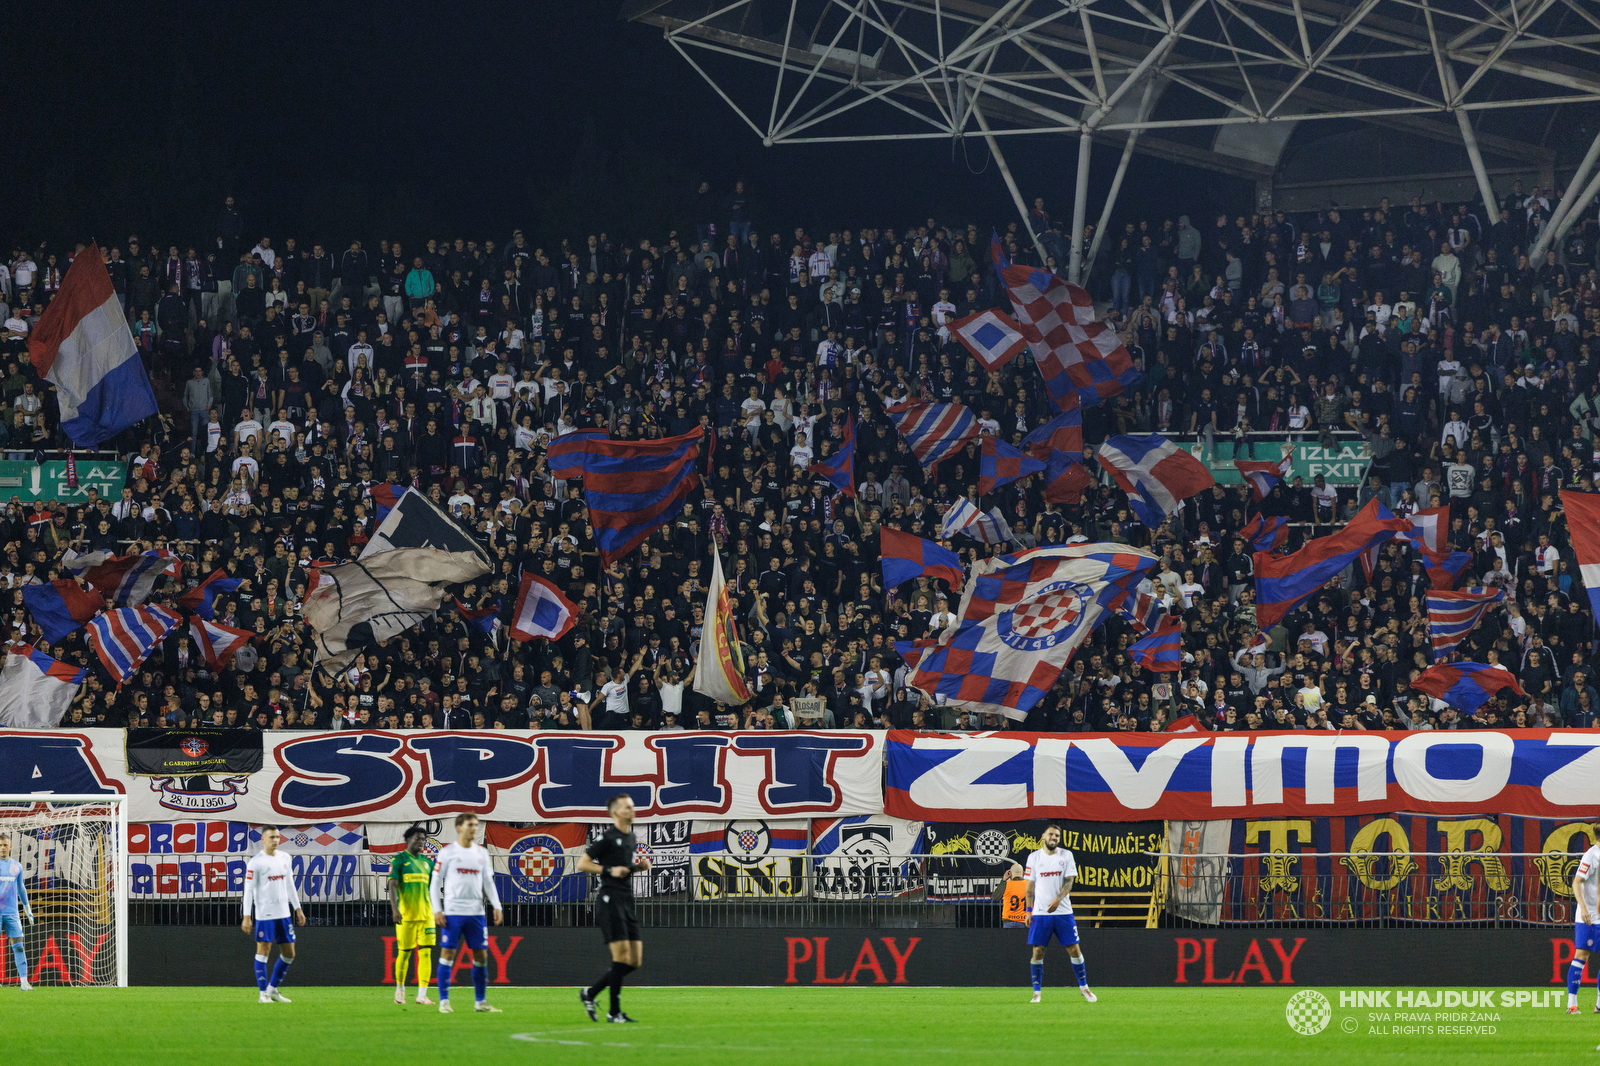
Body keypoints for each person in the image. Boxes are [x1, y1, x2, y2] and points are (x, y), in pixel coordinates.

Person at [577, 792, 652, 1024]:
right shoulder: (607, 837)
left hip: (626, 899)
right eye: (627, 807)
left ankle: (590, 993)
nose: (632, 810)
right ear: (615, 813)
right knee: (620, 958)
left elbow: (623, 868)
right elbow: (582, 863)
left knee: (634, 961)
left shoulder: (631, 837)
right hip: (610, 900)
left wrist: (638, 867)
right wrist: (609, 871)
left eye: (632, 806)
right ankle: (614, 1012)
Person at [429, 812, 503, 1014]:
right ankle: (444, 1002)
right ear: (459, 827)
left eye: (476, 825)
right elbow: (435, 882)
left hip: (476, 913)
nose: (474, 828)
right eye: (470, 824)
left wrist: (497, 905)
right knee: (448, 954)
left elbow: (488, 881)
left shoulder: (482, 853)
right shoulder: (448, 852)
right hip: (453, 912)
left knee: (481, 955)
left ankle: (480, 1002)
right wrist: (437, 909)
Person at [1023, 824, 1095, 1004]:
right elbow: (1029, 887)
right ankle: (1036, 992)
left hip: (1063, 911)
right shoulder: (1034, 857)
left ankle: (1084, 987)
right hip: (1040, 913)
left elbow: (1070, 883)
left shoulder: (1066, 855)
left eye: (1057, 836)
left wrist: (1058, 899)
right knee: (1038, 951)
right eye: (1051, 834)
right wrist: (1029, 911)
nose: (1053, 838)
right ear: (1043, 836)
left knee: (1074, 949)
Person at [241, 826, 305, 1004]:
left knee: (289, 954)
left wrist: (298, 908)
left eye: (277, 837)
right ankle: (262, 994)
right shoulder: (256, 862)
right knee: (264, 951)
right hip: (265, 914)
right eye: (272, 837)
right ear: (263, 839)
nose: (275, 840)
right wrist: (247, 916)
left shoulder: (285, 857)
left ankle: (272, 990)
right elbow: (249, 890)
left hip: (283, 913)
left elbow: (290, 884)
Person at [387, 825, 435, 1005]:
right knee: (405, 953)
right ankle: (400, 989)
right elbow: (392, 885)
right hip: (406, 915)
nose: (421, 842)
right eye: (417, 838)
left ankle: (422, 995)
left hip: (426, 915)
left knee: (426, 953)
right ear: (408, 840)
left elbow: (429, 889)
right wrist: (394, 909)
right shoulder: (399, 860)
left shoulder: (428, 863)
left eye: (423, 839)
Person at [1567, 829, 1600, 1014]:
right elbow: (1577, 882)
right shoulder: (1591, 855)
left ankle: (1599, 1005)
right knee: (1581, 955)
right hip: (1588, 915)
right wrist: (1584, 908)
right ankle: (1572, 1005)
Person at [0, 832, 34, 990]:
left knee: (19, 945)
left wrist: (28, 909)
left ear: (10, 846)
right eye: (0, 845)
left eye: (5, 845)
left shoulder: (16, 866)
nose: (2, 848)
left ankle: (24, 983)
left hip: (12, 913)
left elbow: (21, 888)